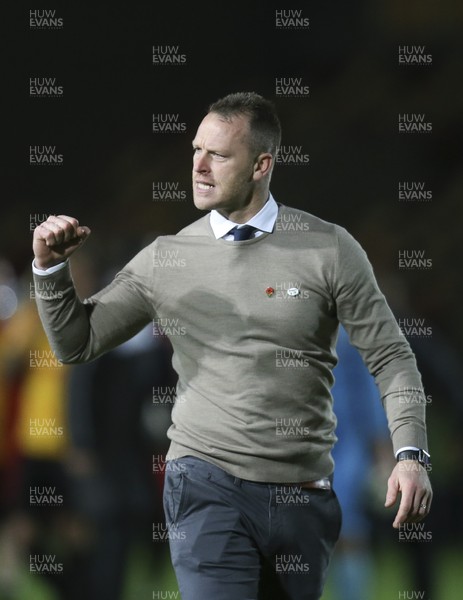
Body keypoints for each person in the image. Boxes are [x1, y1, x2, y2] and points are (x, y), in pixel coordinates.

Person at [31, 92, 432, 600]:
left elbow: (392, 357)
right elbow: (76, 342)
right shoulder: (166, 258)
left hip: (302, 495)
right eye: (195, 150)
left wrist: (410, 454)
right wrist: (50, 269)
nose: (198, 166)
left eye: (217, 154)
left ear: (262, 164)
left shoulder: (328, 248)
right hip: (204, 482)